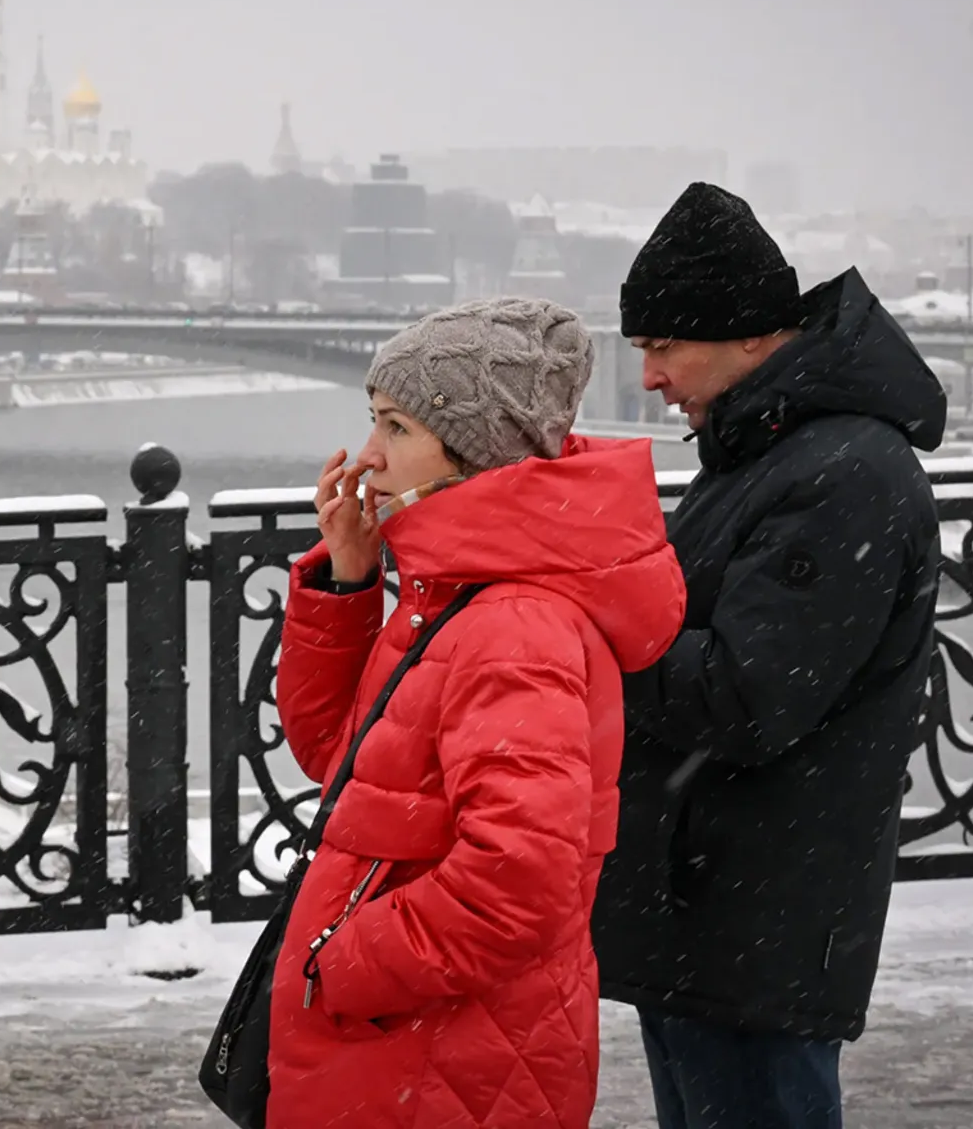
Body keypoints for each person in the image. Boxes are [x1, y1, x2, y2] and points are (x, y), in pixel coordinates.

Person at [264, 297, 686, 1128]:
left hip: (437, 1052)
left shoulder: (512, 624)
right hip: (417, 1045)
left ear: (471, 454)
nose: (369, 458)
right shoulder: (453, 594)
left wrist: (344, 964)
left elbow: (518, 882)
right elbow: (340, 762)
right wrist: (350, 580)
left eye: (396, 428)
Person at [593, 182, 948, 1129]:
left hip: (756, 928)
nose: (652, 378)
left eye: (664, 348)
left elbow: (743, 697)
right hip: (709, 916)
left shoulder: (840, 477)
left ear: (750, 334)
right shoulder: (764, 451)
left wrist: (593, 624)